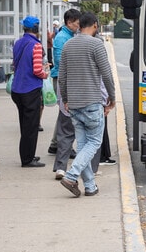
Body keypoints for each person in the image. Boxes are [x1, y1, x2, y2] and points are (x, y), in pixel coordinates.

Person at [59, 12, 115, 197]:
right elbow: (106, 74)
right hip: (92, 101)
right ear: (95, 25)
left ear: (79, 25)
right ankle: (71, 175)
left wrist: (66, 99)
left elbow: (62, 77)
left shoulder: (68, 45)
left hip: (74, 104)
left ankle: (90, 186)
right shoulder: (96, 44)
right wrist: (112, 98)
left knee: (83, 145)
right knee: (94, 142)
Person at [11, 15, 49, 168]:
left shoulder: (18, 43)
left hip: (17, 89)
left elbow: (15, 64)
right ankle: (27, 159)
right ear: (37, 29)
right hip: (31, 89)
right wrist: (45, 74)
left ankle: (27, 154)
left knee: (24, 124)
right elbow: (37, 70)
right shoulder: (37, 46)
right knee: (31, 126)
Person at [50, 8, 81, 179]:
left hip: (65, 79)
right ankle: (61, 151)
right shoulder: (63, 38)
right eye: (77, 22)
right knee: (66, 118)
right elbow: (62, 62)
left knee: (63, 116)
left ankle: (56, 144)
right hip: (64, 81)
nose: (78, 25)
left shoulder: (68, 36)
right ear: (69, 22)